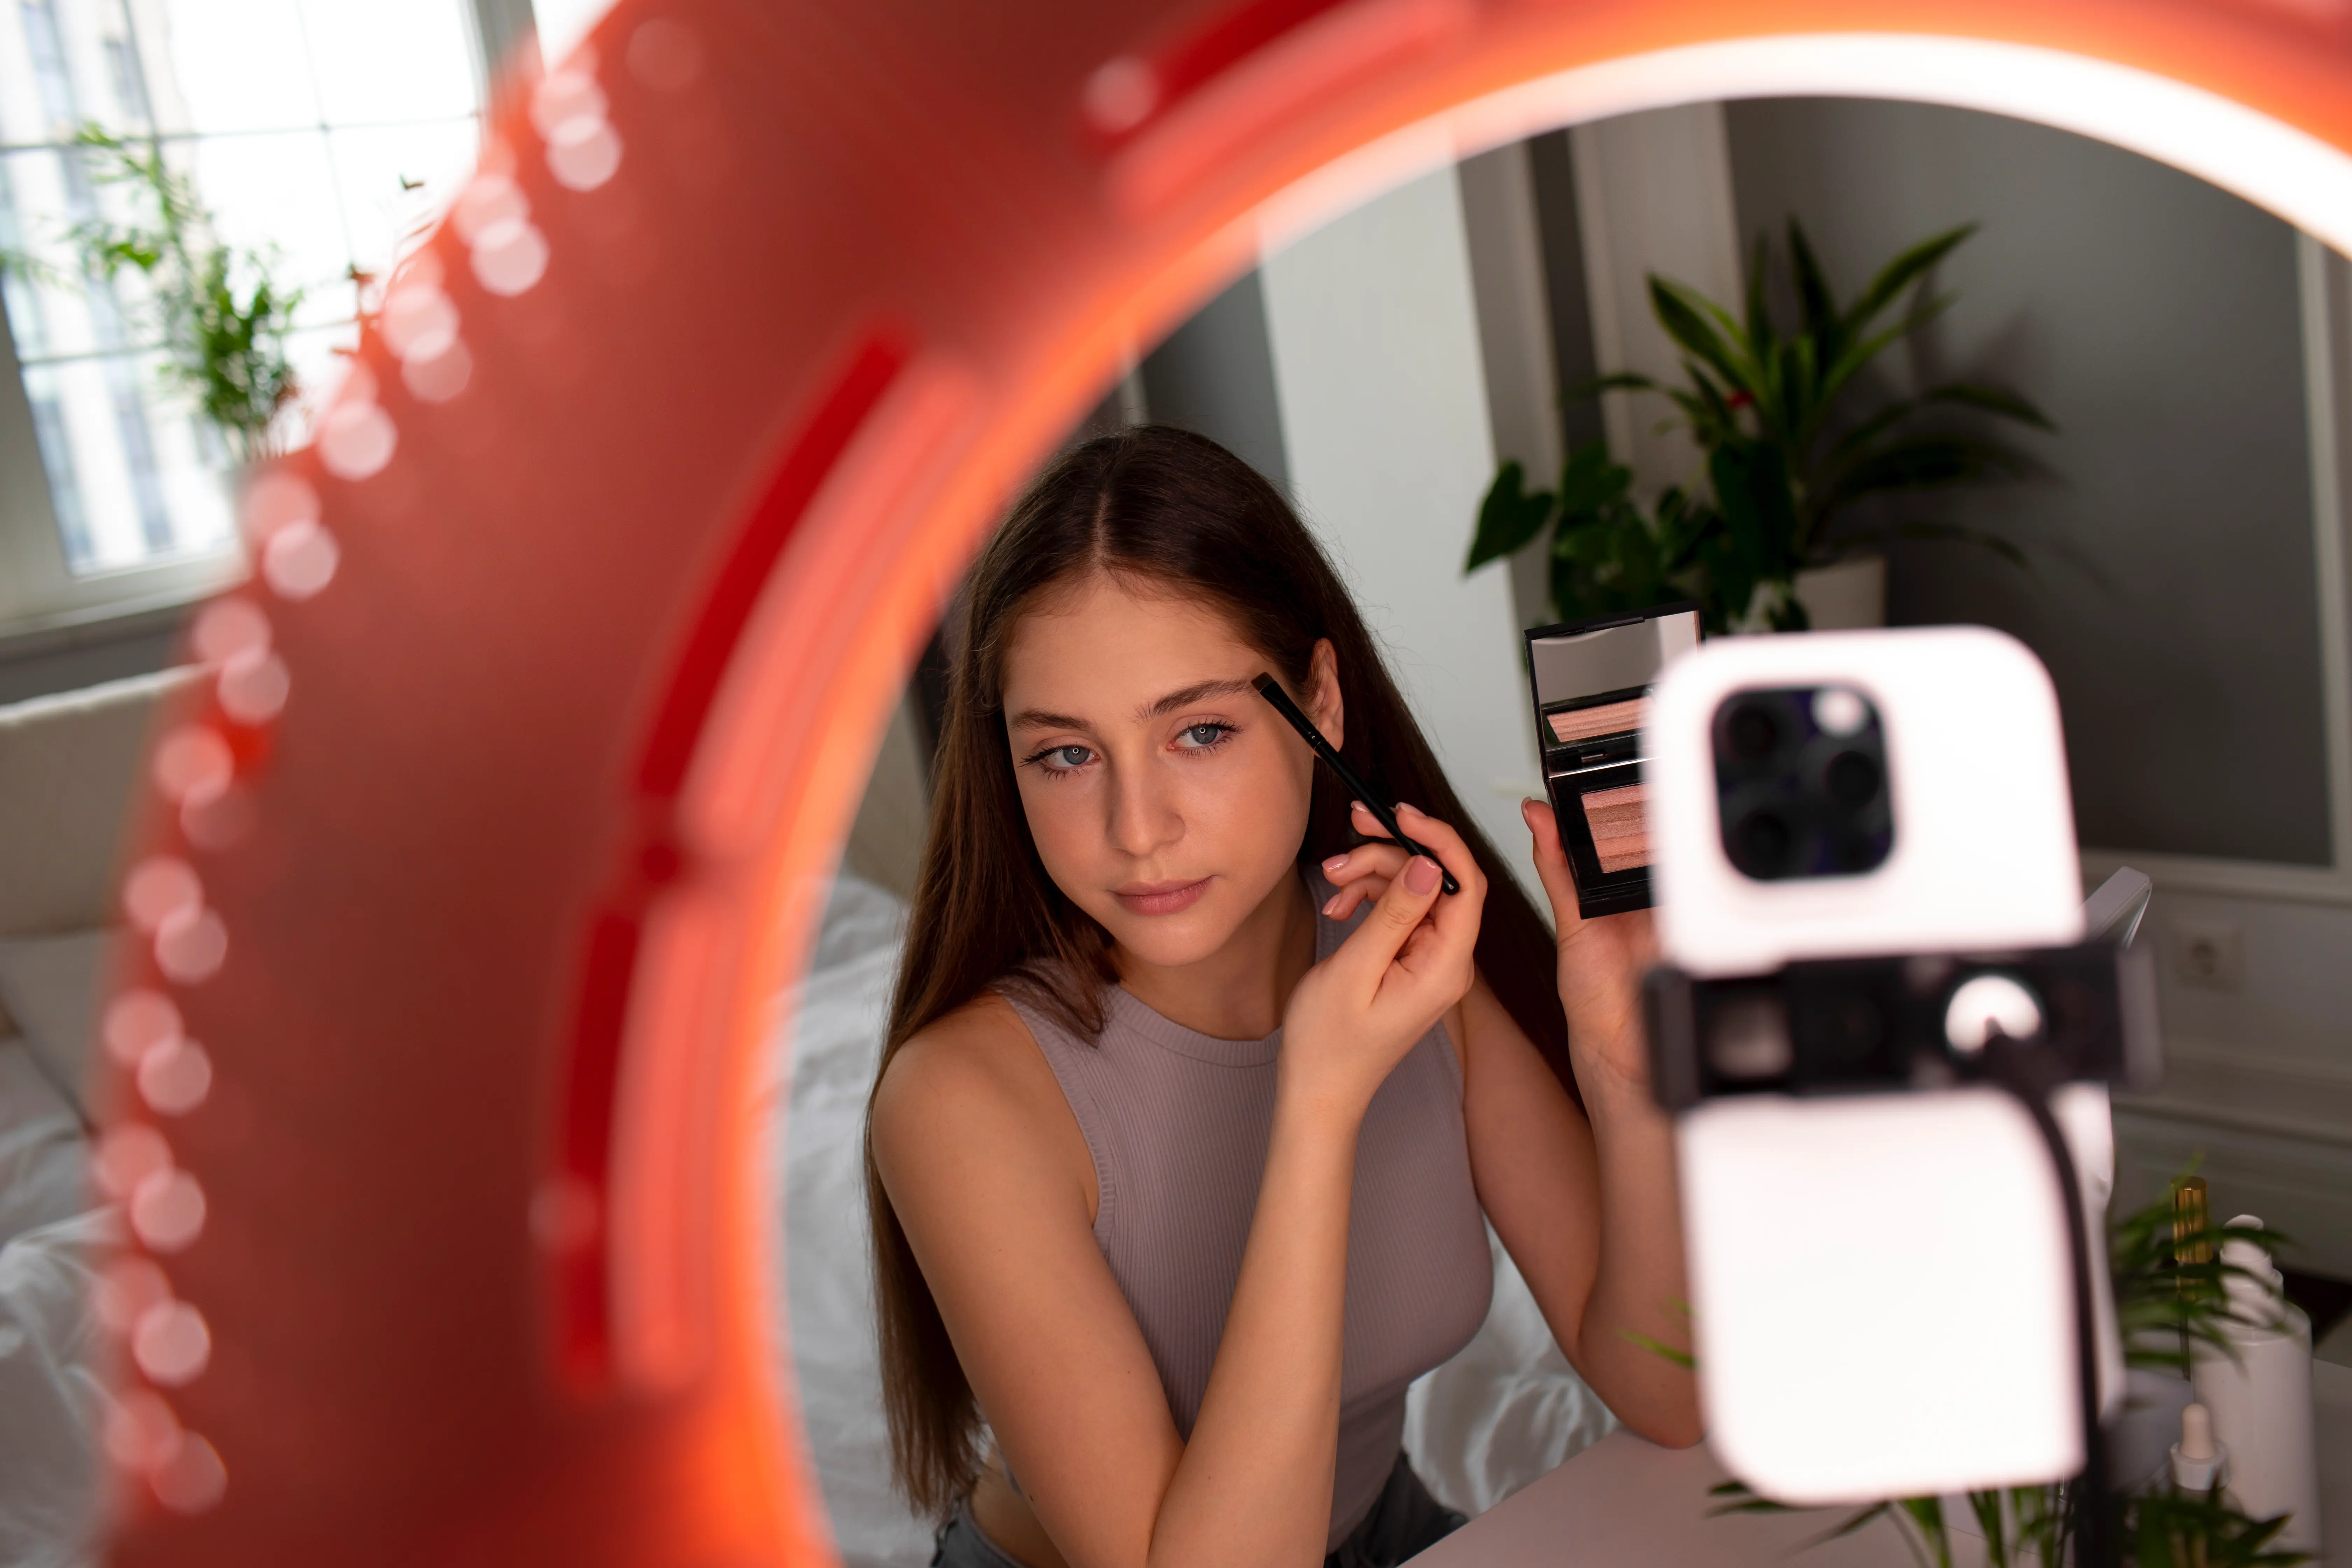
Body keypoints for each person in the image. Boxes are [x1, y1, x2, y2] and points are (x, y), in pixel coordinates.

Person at [865, 425, 1699, 1568]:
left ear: (1321, 702)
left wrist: (1619, 1053)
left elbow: (1667, 1391)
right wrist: (1316, 1102)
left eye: (1199, 732)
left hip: (1386, 1532)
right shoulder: (956, 1099)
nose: (1138, 829)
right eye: (1066, 755)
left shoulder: (1404, 957)